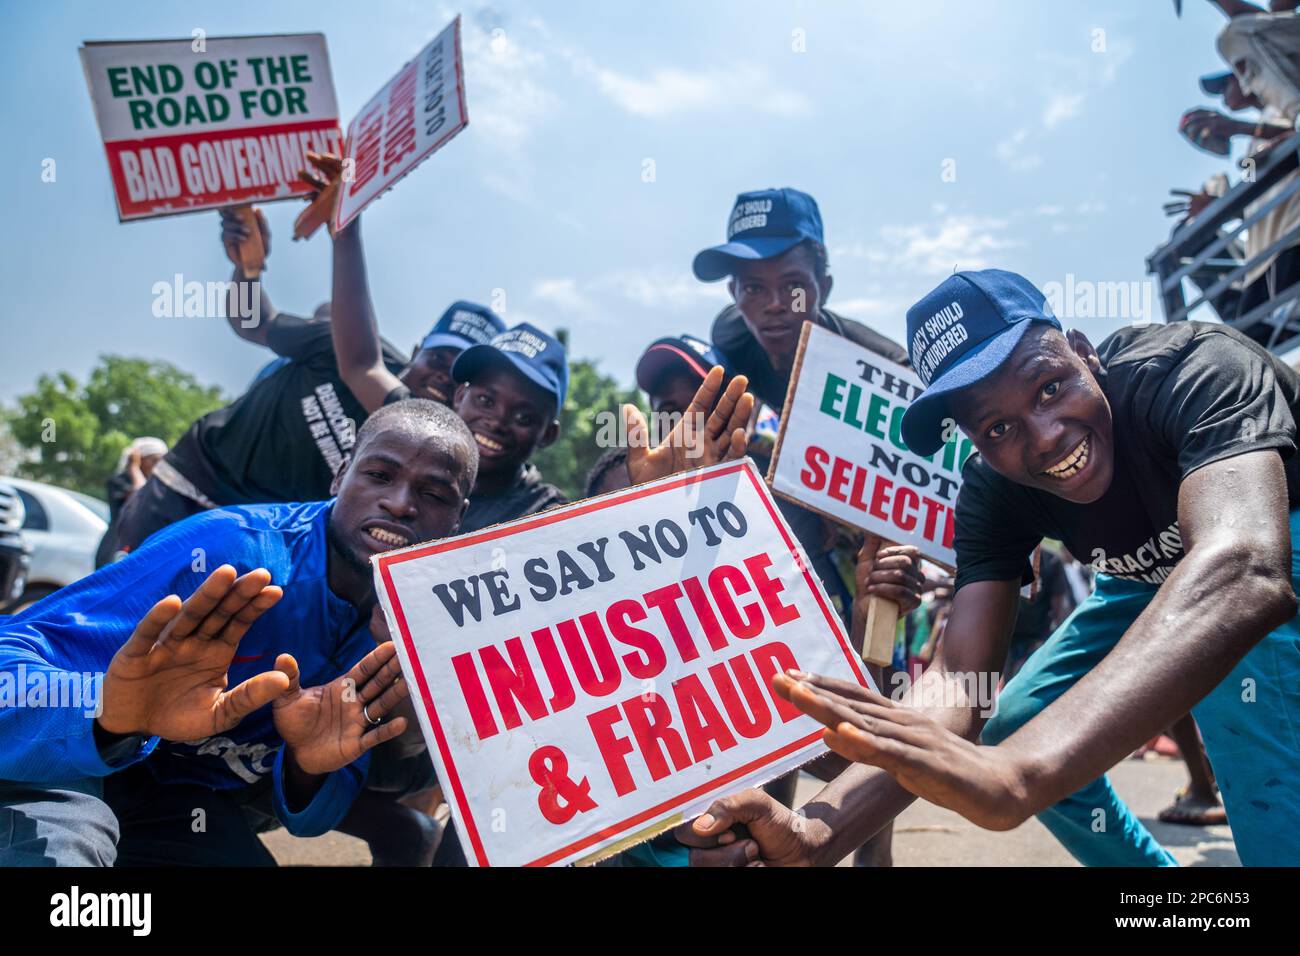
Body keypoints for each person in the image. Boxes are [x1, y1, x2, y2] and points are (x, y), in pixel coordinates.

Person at [683, 268, 1300, 867]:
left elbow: (1244, 566)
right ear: (975, 442)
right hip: (1144, 576)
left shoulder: (1191, 367)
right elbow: (957, 675)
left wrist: (1021, 774)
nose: (1046, 436)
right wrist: (816, 834)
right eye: (998, 426)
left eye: (1051, 387)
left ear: (1083, 352)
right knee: (1018, 722)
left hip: (1267, 530)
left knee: (1234, 692)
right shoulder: (992, 489)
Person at [0, 399, 477, 865]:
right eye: (379, 475)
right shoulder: (234, 552)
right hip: (63, 773)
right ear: (341, 473)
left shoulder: (405, 626)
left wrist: (308, 766)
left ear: (459, 518)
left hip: (181, 801)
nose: (398, 504)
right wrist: (108, 711)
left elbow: (309, 819)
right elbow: (11, 654)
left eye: (433, 494)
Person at [115, 209, 490, 554]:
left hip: (269, 534)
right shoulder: (344, 345)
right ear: (417, 348)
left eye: (460, 372)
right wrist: (248, 269)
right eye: (439, 357)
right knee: (120, 598)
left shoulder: (434, 448)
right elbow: (254, 322)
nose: (444, 373)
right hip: (195, 482)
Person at [95, 436, 167, 568]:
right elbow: (141, 499)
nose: (159, 466)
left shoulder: (159, 487)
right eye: (155, 461)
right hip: (117, 548)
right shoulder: (120, 482)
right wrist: (134, 468)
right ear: (140, 460)